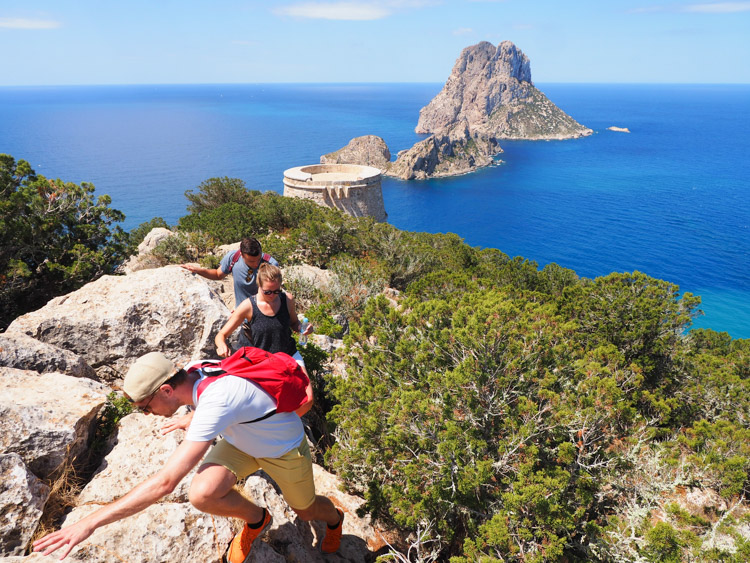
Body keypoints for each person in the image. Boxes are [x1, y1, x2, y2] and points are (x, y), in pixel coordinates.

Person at [33, 351, 344, 561]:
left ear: (167, 390)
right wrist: (191, 417)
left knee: (305, 510)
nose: (149, 413)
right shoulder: (195, 368)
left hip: (283, 449)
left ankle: (335, 520)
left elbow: (166, 482)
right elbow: (218, 400)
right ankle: (257, 519)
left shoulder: (216, 402)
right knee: (202, 494)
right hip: (242, 441)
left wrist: (89, 523)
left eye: (146, 406)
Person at [215, 263, 312, 364]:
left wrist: (303, 328)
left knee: (304, 379)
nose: (272, 295)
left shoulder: (287, 300)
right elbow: (221, 335)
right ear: (259, 286)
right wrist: (222, 346)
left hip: (289, 355)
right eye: (267, 292)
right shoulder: (248, 306)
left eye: (276, 291)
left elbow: (294, 323)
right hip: (261, 360)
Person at [181, 237, 278, 308]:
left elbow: (273, 294)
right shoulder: (233, 257)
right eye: (251, 261)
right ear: (242, 255)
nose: (256, 264)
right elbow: (218, 275)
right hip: (242, 315)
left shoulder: (270, 264)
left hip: (265, 313)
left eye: (258, 259)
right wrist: (197, 270)